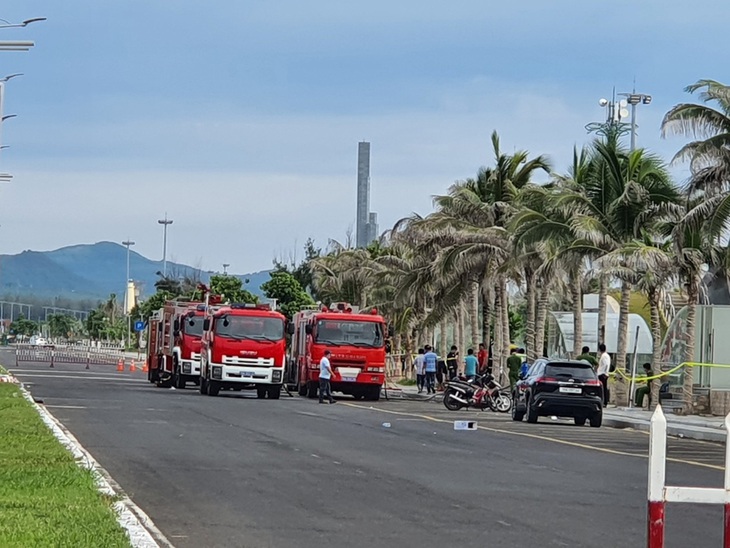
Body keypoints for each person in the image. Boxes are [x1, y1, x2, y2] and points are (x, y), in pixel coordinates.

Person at [597, 343, 611, 408]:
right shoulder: (606, 355)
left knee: (602, 389)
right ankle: (604, 402)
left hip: (602, 374)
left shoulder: (604, 356)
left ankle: (604, 402)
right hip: (603, 373)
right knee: (603, 388)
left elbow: (606, 365)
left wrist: (605, 373)